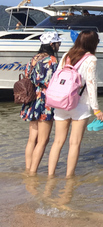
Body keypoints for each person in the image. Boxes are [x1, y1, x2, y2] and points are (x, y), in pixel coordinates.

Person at [48, 30, 103, 177]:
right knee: (74, 143)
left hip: (61, 101)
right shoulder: (91, 59)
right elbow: (91, 85)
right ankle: (69, 177)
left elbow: (56, 77)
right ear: (93, 43)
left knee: (57, 142)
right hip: (79, 104)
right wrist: (96, 109)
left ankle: (50, 175)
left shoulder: (67, 56)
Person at [20, 31, 61, 174]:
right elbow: (51, 82)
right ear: (51, 44)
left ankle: (27, 169)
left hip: (31, 100)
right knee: (43, 140)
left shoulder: (34, 59)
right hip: (44, 101)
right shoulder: (51, 60)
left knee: (32, 139)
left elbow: (28, 77)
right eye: (58, 43)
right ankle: (33, 173)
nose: (59, 45)